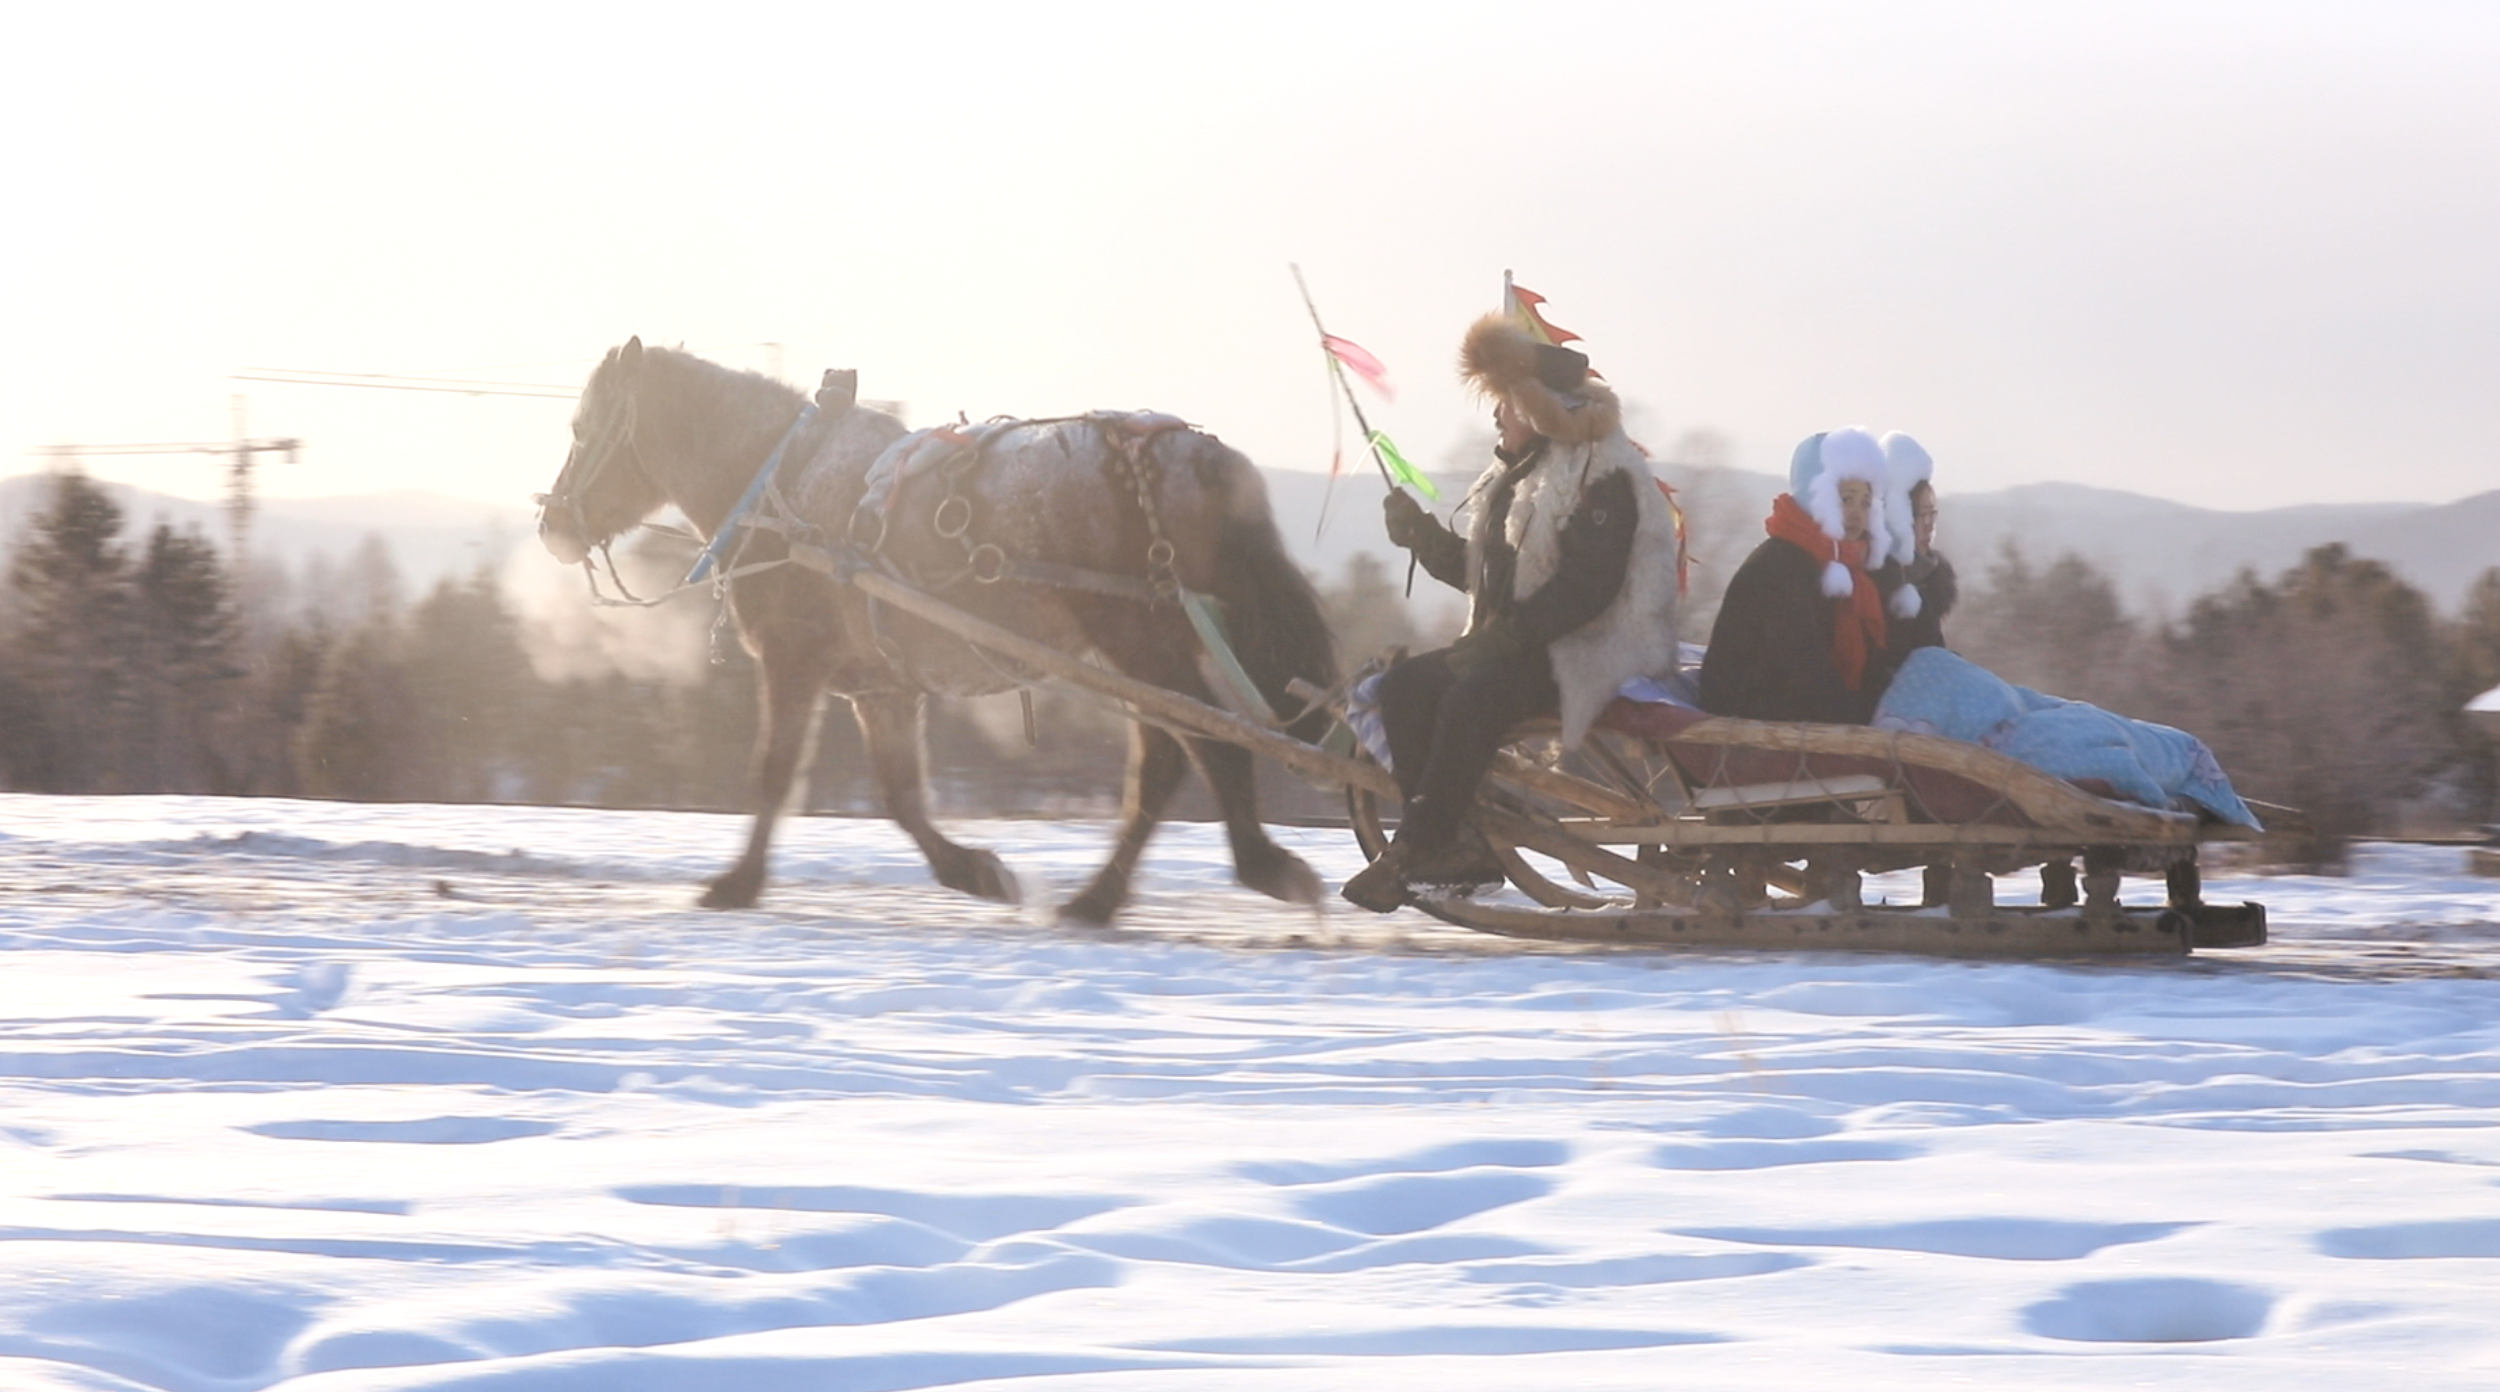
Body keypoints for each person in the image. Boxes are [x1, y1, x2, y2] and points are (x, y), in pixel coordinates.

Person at [1341, 314, 1683, 913]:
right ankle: (1455, 843)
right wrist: (1423, 538)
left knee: (1472, 697)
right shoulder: (1521, 474)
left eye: (1503, 404)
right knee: (1402, 689)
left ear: (1534, 407)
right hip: (1521, 642)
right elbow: (1492, 578)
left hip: (1588, 648)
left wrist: (1507, 639)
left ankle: (1422, 842)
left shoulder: (1603, 476)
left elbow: (1588, 589)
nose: (1496, 417)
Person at [1696, 427, 1899, 725]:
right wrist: (1861, 725)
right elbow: (1801, 664)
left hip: (1796, 714)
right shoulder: (1782, 564)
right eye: (1845, 499)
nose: (1856, 514)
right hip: (1745, 723)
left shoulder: (1850, 571)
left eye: (1865, 503)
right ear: (1817, 496)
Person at [1877, 430, 1956, 655]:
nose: (1930, 525)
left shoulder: (1926, 580)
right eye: (1922, 514)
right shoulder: (1881, 586)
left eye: (1933, 514)